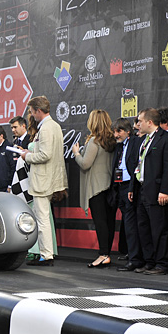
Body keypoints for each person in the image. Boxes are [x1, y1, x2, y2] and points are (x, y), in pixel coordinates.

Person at [20, 96, 68, 266]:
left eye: (32, 112)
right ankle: (46, 254)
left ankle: (46, 255)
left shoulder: (47, 128)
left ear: (38, 111)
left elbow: (45, 155)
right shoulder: (54, 126)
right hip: (50, 177)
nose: (31, 115)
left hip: (43, 179)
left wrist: (27, 156)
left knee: (42, 219)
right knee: (44, 218)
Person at [132, 108, 168, 274]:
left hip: (158, 191)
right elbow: (139, 165)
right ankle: (150, 261)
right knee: (143, 228)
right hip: (142, 189)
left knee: (160, 229)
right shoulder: (143, 140)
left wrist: (165, 190)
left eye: (140, 121)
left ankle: (163, 263)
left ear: (149, 122)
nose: (137, 125)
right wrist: (133, 187)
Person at [72, 110, 116, 268]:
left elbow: (85, 164)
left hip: (96, 187)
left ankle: (103, 254)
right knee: (108, 222)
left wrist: (76, 153)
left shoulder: (94, 141)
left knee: (101, 222)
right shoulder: (112, 140)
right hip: (109, 186)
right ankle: (107, 254)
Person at [113, 118, 144, 272]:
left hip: (132, 187)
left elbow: (136, 166)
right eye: (114, 131)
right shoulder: (119, 147)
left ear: (128, 131)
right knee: (128, 225)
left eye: (119, 131)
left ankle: (135, 259)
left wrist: (132, 187)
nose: (116, 135)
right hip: (120, 187)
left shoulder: (135, 143)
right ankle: (133, 257)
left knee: (132, 226)